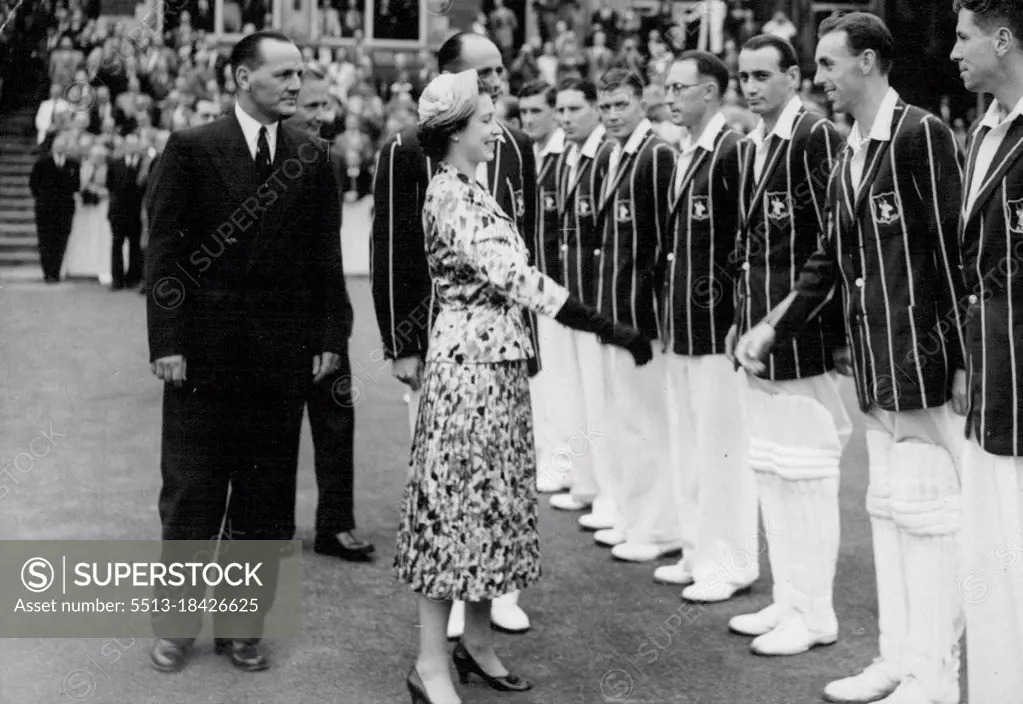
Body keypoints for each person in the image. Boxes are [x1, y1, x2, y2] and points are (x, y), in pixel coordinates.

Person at [397, 68, 652, 704]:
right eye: (485, 120)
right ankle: (430, 663)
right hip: (466, 376)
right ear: (455, 132)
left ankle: (477, 643)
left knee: (495, 508)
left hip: (498, 371)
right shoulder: (451, 194)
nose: (497, 128)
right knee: (454, 512)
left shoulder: (472, 187)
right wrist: (606, 327)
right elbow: (520, 278)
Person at [738, 12, 968, 700]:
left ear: (868, 62)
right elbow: (826, 262)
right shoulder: (847, 151)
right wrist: (772, 326)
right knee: (889, 510)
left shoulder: (920, 134)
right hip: (873, 367)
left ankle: (933, 674)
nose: (819, 80)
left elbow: (949, 254)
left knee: (927, 518)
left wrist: (957, 359)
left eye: (830, 65)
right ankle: (896, 660)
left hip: (924, 366)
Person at [145, 30, 349, 673]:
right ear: (240, 78)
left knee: (265, 503)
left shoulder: (313, 156)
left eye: (300, 75)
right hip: (202, 360)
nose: (297, 85)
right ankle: (175, 628)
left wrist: (328, 338)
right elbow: (165, 257)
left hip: (280, 360)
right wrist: (168, 342)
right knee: (192, 496)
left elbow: (326, 261)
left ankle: (242, 629)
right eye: (283, 74)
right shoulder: (192, 148)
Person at [371, 31, 537, 641]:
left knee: (500, 482)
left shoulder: (512, 146)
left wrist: (531, 340)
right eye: (483, 72)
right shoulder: (408, 150)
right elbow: (393, 249)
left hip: (505, 347)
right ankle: (444, 620)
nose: (496, 81)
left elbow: (527, 251)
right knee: (451, 485)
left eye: (499, 71)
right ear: (451, 75)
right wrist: (403, 342)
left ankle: (492, 603)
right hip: (445, 346)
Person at [725, 34, 852, 657]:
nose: (749, 87)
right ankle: (788, 597)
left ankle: (818, 611)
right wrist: (740, 317)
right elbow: (753, 248)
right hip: (760, 331)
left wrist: (789, 322)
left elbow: (832, 246)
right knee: (771, 469)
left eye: (762, 76)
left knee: (806, 474)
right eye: (743, 76)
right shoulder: (753, 143)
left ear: (794, 77)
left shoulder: (816, 137)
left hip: (800, 334)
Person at [656, 51, 759, 602]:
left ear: (712, 93)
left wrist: (737, 315)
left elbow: (744, 239)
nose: (670, 96)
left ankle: (733, 562)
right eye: (667, 86)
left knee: (723, 448)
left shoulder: (730, 151)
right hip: (682, 325)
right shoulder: (686, 151)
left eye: (681, 87)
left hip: (715, 326)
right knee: (691, 442)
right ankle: (698, 550)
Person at [950, 1, 1023, 701]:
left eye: (963, 36)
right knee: (990, 560)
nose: (951, 51)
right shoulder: (982, 134)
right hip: (990, 379)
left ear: (1002, 41)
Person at [589, 68, 679, 563]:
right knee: (624, 423)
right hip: (613, 312)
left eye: (621, 104)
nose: (612, 115)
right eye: (605, 107)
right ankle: (633, 517)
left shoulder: (657, 155)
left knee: (647, 425)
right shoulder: (613, 154)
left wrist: (650, 321)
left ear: (642, 103)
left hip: (639, 317)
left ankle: (659, 528)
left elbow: (665, 243)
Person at [283, 61, 371, 561]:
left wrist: (334, 332)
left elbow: (329, 255)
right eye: (308, 106)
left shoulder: (332, 162)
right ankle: (267, 526)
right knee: (269, 432)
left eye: (325, 104)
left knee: (336, 424)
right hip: (268, 324)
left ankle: (336, 525)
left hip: (323, 315)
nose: (320, 116)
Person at [547, 76, 616, 516]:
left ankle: (609, 494)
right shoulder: (567, 156)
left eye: (575, 109)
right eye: (562, 110)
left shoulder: (605, 155)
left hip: (595, 298)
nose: (566, 118)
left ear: (595, 110)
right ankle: (587, 485)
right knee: (576, 397)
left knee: (601, 401)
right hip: (570, 296)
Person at [517, 79, 575, 494]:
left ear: (555, 112)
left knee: (560, 382)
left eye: (537, 111)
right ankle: (544, 457)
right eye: (524, 112)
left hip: (557, 288)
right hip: (529, 288)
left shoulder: (565, 157)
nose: (529, 120)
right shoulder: (527, 156)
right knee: (538, 378)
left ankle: (563, 464)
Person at [29, 132, 79, 284]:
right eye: (58, 145)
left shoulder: (72, 164)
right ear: (52, 146)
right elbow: (33, 185)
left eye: (64, 145)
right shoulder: (42, 163)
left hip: (65, 209)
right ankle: (48, 272)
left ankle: (56, 272)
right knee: (45, 241)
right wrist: (43, 199)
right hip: (45, 208)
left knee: (61, 241)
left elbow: (76, 185)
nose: (61, 147)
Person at [106, 132, 146, 290]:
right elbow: (110, 185)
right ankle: (117, 279)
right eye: (128, 144)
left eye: (134, 144)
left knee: (135, 247)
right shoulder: (115, 163)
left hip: (136, 214)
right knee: (117, 246)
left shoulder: (144, 164)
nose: (131, 147)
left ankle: (132, 279)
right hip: (118, 213)